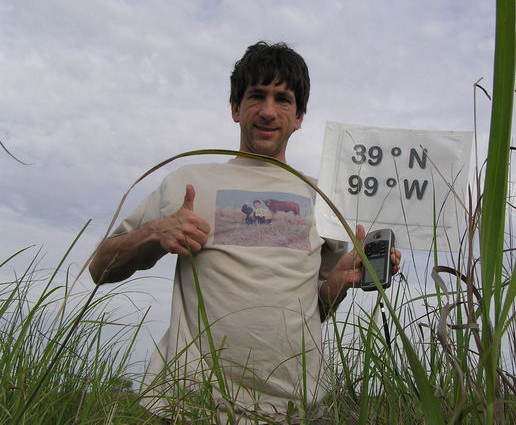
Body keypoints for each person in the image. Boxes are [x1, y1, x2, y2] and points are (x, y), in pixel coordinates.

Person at [89, 41, 401, 424]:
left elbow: (315, 310)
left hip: (297, 410)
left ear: (299, 116)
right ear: (236, 108)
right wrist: (154, 232)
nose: (268, 112)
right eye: (256, 96)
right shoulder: (189, 181)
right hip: (191, 408)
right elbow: (100, 267)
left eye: (283, 99)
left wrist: (338, 282)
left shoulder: (322, 196)